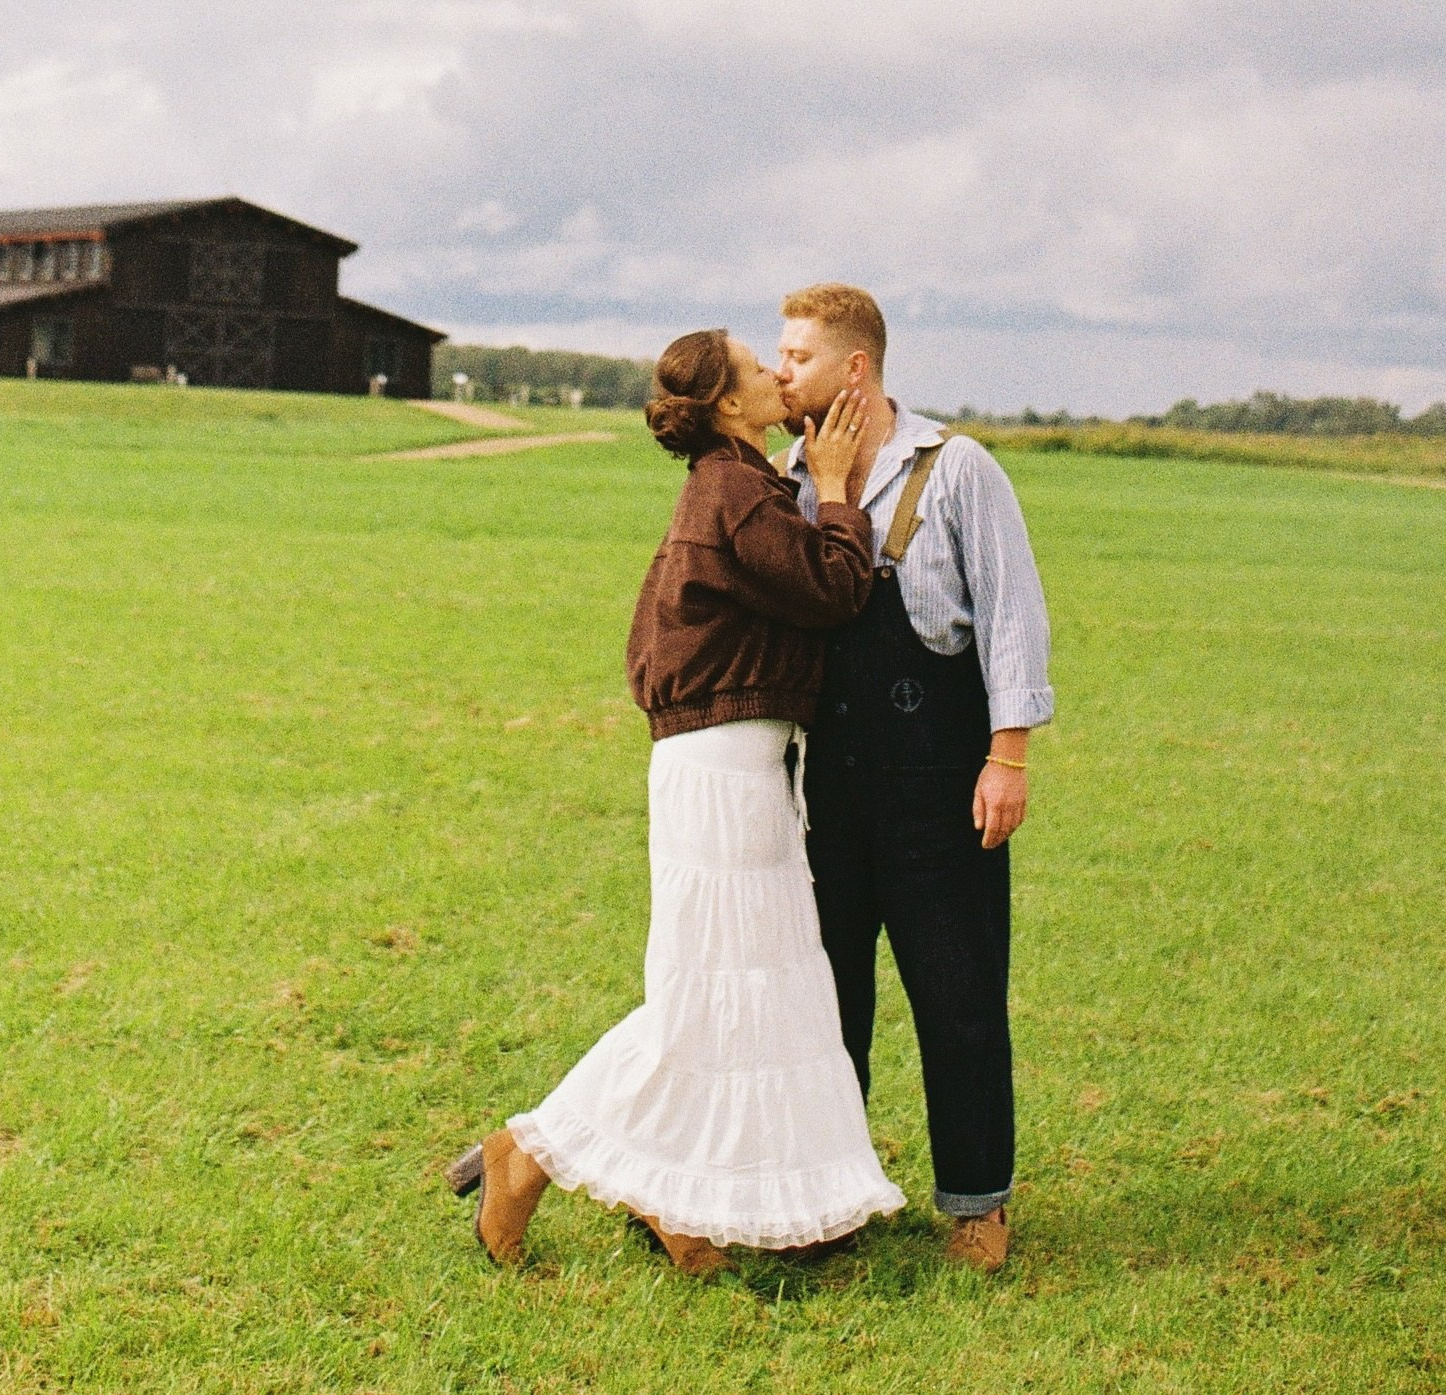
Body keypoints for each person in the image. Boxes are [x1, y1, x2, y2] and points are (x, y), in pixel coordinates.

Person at [448, 329, 906, 1274]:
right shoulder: (734, 490)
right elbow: (834, 588)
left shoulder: (735, 481)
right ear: (730, 407)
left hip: (736, 761)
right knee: (713, 994)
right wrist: (835, 489)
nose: (780, 375)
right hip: (724, 767)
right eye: (759, 368)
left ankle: (678, 1206)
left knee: (747, 990)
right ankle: (522, 1155)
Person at [776, 282, 1053, 1273]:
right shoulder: (790, 475)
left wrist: (1008, 754)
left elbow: (1013, 616)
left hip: (943, 779)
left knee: (960, 996)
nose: (780, 370)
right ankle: (832, 1196)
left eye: (798, 355)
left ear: (856, 367)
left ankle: (976, 1201)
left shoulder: (959, 469)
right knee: (828, 1004)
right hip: (828, 794)